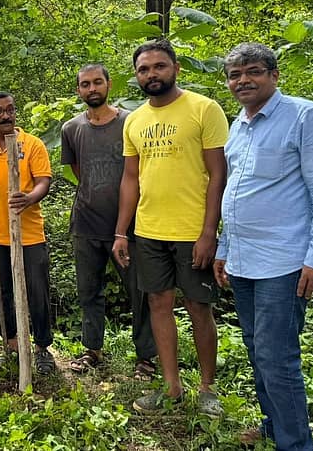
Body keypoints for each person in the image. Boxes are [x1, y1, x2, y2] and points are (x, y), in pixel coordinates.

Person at [214, 43, 313, 450]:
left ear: (274, 75)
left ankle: (295, 444)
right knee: (258, 351)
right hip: (244, 260)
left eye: (252, 71)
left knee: (277, 358)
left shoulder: (305, 117)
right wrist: (224, 247)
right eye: (235, 75)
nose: (243, 81)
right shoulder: (238, 126)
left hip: (285, 261)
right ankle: (275, 426)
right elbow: (238, 193)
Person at [111, 40, 228, 416]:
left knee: (198, 306)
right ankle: (172, 386)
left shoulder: (203, 109)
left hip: (192, 231)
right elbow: (131, 179)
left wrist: (209, 232)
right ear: (136, 76)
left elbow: (218, 174)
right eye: (144, 69)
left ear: (175, 68)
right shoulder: (135, 120)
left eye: (159, 66)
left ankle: (208, 388)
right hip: (149, 231)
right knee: (159, 305)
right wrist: (121, 232)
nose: (151, 74)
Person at [61, 64, 156, 379]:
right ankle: (92, 350)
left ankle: (146, 357)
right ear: (78, 90)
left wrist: (123, 221)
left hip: (128, 226)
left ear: (108, 85)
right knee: (89, 291)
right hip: (86, 223)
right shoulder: (71, 129)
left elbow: (139, 170)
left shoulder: (130, 122)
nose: (92, 89)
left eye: (97, 82)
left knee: (139, 292)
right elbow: (77, 169)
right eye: (85, 84)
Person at [0, 91, 56, 375]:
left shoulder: (32, 144)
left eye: (10, 110)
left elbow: (44, 181)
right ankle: (12, 345)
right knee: (1, 292)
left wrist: (30, 197)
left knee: (37, 291)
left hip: (29, 234)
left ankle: (42, 348)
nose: (5, 115)